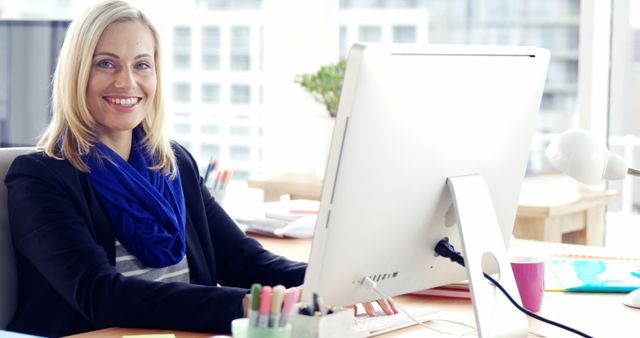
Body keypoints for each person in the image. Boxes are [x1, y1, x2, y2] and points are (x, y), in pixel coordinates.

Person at [4, 1, 396, 337]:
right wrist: (251, 307)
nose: (127, 81)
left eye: (142, 64)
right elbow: (100, 294)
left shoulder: (173, 164)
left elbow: (242, 260)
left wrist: (337, 283)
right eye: (106, 63)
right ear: (76, 75)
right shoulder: (41, 177)